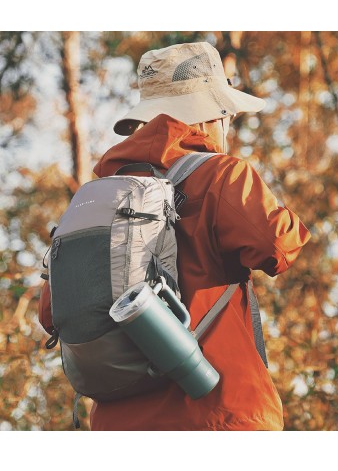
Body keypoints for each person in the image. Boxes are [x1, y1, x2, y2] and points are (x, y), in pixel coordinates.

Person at [40, 41, 311, 430]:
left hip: (119, 429)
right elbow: (279, 248)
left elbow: (51, 315)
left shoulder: (95, 199)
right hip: (218, 412)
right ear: (212, 115)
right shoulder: (222, 175)